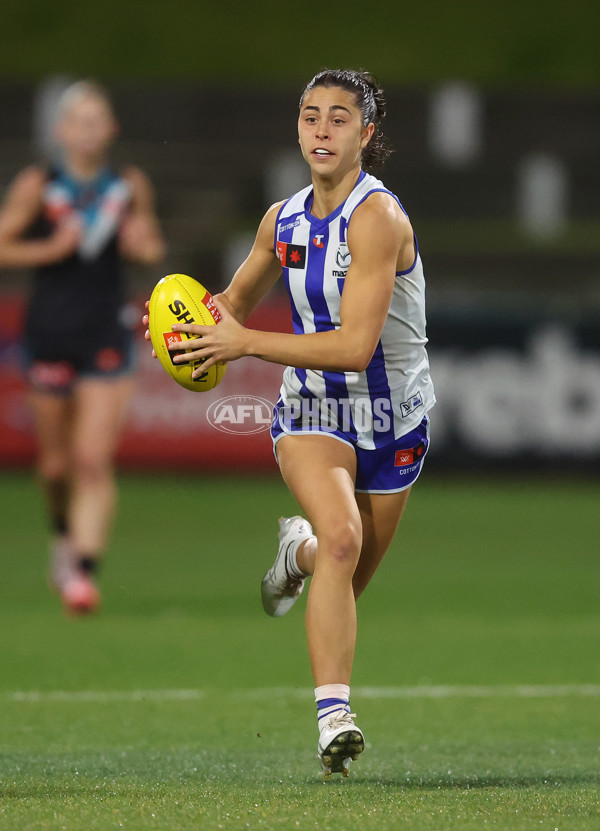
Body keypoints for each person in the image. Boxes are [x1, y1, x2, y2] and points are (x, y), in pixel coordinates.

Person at [145, 68, 435, 776]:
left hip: (395, 418)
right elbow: (231, 306)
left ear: (366, 134)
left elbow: (355, 346)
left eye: (339, 118)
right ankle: (334, 718)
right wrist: (179, 330)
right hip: (312, 408)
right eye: (310, 116)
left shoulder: (380, 219)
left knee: (342, 569)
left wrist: (244, 342)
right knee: (344, 539)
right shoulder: (283, 220)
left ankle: (292, 554)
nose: (322, 130)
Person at [0, 79, 165, 614]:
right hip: (49, 332)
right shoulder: (38, 185)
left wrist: (144, 243)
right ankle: (61, 534)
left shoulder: (128, 185)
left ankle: (82, 572)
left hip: (106, 332)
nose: (88, 130)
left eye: (98, 121)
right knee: (53, 467)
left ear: (111, 130)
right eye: (79, 121)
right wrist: (50, 248)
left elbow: (151, 242)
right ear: (61, 131)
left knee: (92, 460)